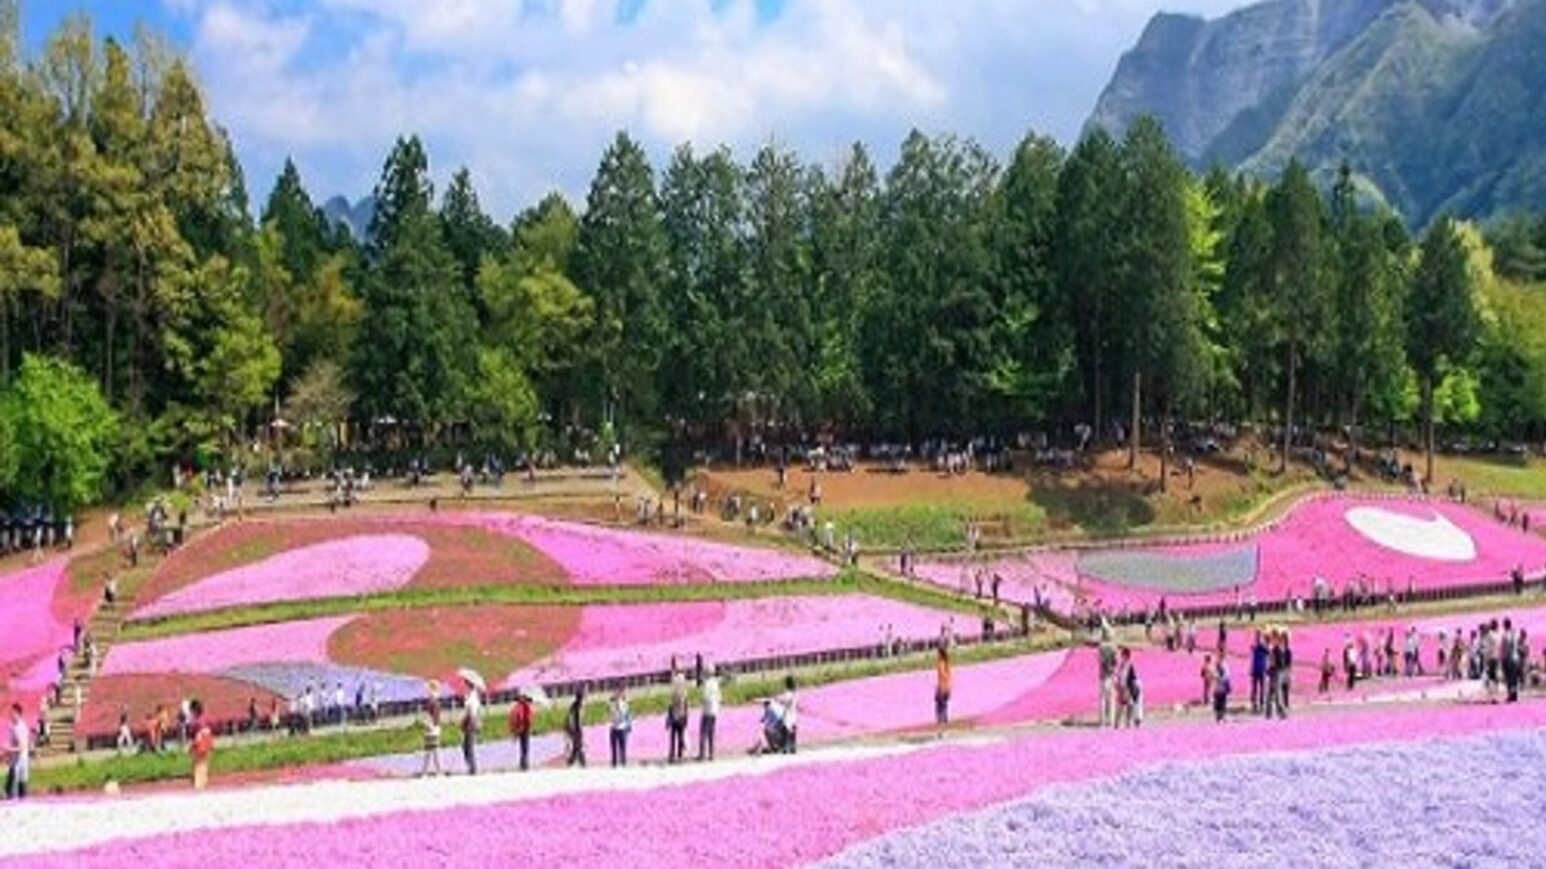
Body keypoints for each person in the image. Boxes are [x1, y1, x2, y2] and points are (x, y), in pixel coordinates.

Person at [5, 702, 29, 800]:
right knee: (13, 786)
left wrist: (8, 749)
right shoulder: (13, 726)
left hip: (20, 760)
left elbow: (22, 747)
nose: (10, 714)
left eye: (12, 712)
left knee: (16, 786)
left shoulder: (20, 728)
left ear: (17, 713)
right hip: (16, 759)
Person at [419, 681, 444, 777]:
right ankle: (428, 772)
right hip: (431, 729)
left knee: (433, 751)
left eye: (429, 690)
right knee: (430, 751)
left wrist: (429, 725)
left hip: (433, 729)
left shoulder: (434, 703)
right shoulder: (431, 702)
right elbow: (428, 716)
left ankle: (437, 771)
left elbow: (434, 718)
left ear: (434, 690)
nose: (427, 692)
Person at [698, 664, 721, 762]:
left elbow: (705, 697)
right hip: (715, 710)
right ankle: (711, 754)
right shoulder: (715, 683)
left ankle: (702, 755)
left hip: (707, 710)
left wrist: (703, 702)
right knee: (711, 732)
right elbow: (719, 697)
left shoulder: (707, 684)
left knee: (703, 732)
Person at [190, 700, 214, 791]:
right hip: (207, 741)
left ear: (194, 710)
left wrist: (194, 745)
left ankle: (198, 784)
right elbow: (209, 731)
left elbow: (198, 734)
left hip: (201, 742)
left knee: (198, 763)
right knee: (204, 763)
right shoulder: (205, 718)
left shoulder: (197, 721)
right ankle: (203, 783)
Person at [667, 668, 689, 763]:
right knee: (680, 735)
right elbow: (685, 706)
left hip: (675, 715)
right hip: (681, 716)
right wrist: (686, 718)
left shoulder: (674, 691)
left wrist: (670, 716)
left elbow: (671, 705)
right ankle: (679, 755)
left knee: (673, 736)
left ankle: (672, 755)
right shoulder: (684, 692)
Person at [508, 690, 533, 772]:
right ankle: (525, 764)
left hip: (520, 728)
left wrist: (514, 730)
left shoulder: (517, 707)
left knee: (522, 747)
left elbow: (513, 718)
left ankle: (523, 763)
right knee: (525, 747)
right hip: (525, 728)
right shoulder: (526, 706)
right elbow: (529, 719)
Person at [1098, 629, 1118, 728]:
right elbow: (1116, 661)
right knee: (1111, 699)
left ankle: (1102, 721)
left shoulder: (1100, 647)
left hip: (1102, 675)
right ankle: (1111, 720)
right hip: (1111, 675)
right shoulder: (1114, 647)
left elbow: (1100, 661)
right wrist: (1114, 670)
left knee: (1102, 699)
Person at [460, 686, 482, 775]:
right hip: (471, 724)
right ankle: (471, 767)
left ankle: (472, 768)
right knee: (467, 746)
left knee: (468, 746)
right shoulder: (473, 698)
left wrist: (463, 721)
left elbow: (470, 713)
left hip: (470, 724)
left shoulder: (472, 699)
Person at [608, 688, 632, 768]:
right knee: (613, 749)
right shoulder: (612, 703)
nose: (617, 694)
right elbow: (611, 714)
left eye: (618, 693)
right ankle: (614, 765)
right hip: (613, 728)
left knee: (622, 749)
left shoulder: (625, 704)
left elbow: (627, 715)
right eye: (616, 693)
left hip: (622, 728)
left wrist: (629, 726)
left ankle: (623, 764)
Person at [565, 687, 587, 767]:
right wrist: (571, 729)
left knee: (577, 746)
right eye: (583, 696)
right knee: (578, 746)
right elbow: (572, 718)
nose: (584, 697)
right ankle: (582, 763)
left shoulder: (575, 705)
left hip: (576, 729)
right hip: (576, 730)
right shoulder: (576, 706)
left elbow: (572, 717)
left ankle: (571, 762)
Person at [934, 646, 953, 733]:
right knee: (944, 708)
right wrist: (948, 688)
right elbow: (948, 676)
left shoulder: (941, 663)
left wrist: (941, 688)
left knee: (939, 709)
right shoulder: (947, 663)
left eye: (937, 653)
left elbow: (943, 675)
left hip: (941, 688)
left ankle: (941, 730)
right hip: (946, 688)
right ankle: (945, 730)